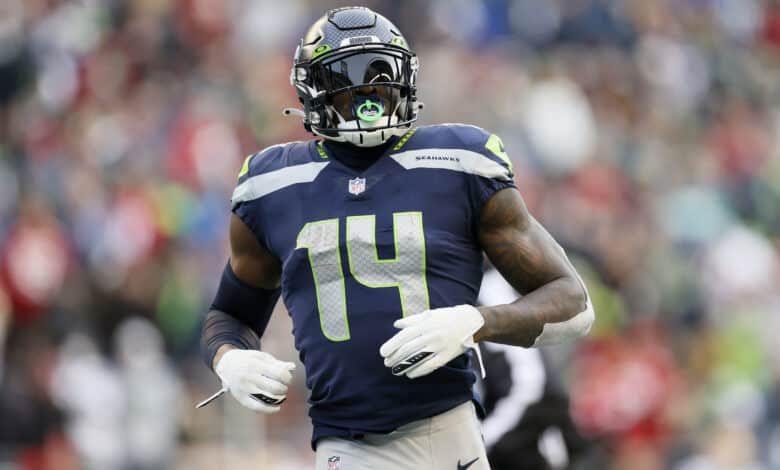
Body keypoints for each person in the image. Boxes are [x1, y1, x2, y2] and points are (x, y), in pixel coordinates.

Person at [199, 6, 594, 470]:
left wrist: (476, 321)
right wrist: (229, 360)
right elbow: (229, 313)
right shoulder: (271, 185)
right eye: (349, 79)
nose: (369, 94)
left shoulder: (460, 162)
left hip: (452, 436)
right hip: (347, 444)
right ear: (313, 90)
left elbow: (574, 303)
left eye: (381, 74)